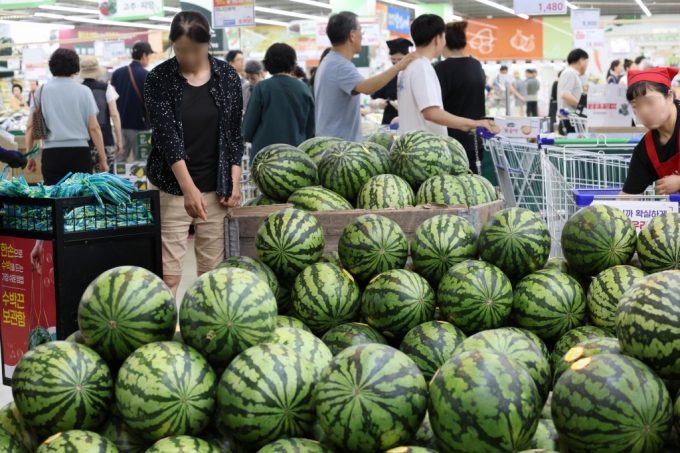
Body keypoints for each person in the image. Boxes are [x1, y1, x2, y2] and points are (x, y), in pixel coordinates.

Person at [145, 11, 243, 296]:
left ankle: (206, 333)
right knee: (168, 276)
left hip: (216, 189)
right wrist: (188, 189)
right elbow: (167, 138)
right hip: (172, 189)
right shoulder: (158, 79)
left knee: (211, 276)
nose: (187, 57)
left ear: (207, 43)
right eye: (180, 50)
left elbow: (234, 134)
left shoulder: (227, 76)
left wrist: (234, 180)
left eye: (195, 50)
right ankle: (164, 336)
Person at [314, 12, 417, 142]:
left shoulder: (330, 60)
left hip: (332, 142)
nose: (362, 36)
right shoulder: (340, 65)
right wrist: (398, 67)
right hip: (339, 147)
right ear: (352, 35)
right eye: (361, 31)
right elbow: (367, 87)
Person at [398, 15, 491, 139]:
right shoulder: (423, 68)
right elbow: (431, 113)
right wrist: (472, 123)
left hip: (410, 145)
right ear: (438, 39)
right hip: (426, 149)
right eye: (443, 37)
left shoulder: (406, 68)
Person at [25, 48, 107, 184]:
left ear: (52, 67)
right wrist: (102, 159)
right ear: (75, 67)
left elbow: (29, 127)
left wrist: (30, 157)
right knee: (81, 199)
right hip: (79, 153)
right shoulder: (84, 91)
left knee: (54, 198)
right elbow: (94, 128)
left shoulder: (41, 91)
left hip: (51, 153)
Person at [243, 43, 315, 163]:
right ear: (292, 63)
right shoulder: (303, 88)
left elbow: (248, 129)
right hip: (295, 155)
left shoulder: (261, 88)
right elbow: (310, 126)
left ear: (267, 63)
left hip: (264, 158)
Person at [434, 21, 486, 173]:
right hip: (476, 138)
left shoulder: (442, 69)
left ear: (443, 41)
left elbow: (434, 108)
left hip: (450, 142)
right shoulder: (476, 65)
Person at [621, 68, 680, 195]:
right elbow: (628, 196)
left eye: (650, 102)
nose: (644, 111)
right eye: (636, 106)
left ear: (669, 97)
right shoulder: (646, 150)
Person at [111, 41, 154, 161]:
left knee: (119, 161)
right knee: (140, 162)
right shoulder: (146, 75)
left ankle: (117, 180)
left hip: (121, 126)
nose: (149, 59)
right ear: (144, 55)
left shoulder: (117, 73)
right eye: (149, 55)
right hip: (140, 127)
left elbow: (112, 100)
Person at [80, 56, 123, 173]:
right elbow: (114, 113)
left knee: (84, 183)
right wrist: (119, 140)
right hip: (105, 140)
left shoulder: (78, 89)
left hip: (82, 143)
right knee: (106, 181)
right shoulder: (106, 88)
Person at [368, 38, 412, 125]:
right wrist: (377, 103)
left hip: (411, 123)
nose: (397, 64)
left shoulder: (414, 76)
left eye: (400, 60)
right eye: (393, 60)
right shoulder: (388, 77)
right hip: (389, 125)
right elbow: (371, 101)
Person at [557, 48, 589, 134]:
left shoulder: (574, 74)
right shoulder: (569, 73)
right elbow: (565, 94)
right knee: (571, 147)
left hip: (574, 119)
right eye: (586, 62)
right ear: (580, 61)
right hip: (570, 121)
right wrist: (582, 107)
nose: (586, 65)